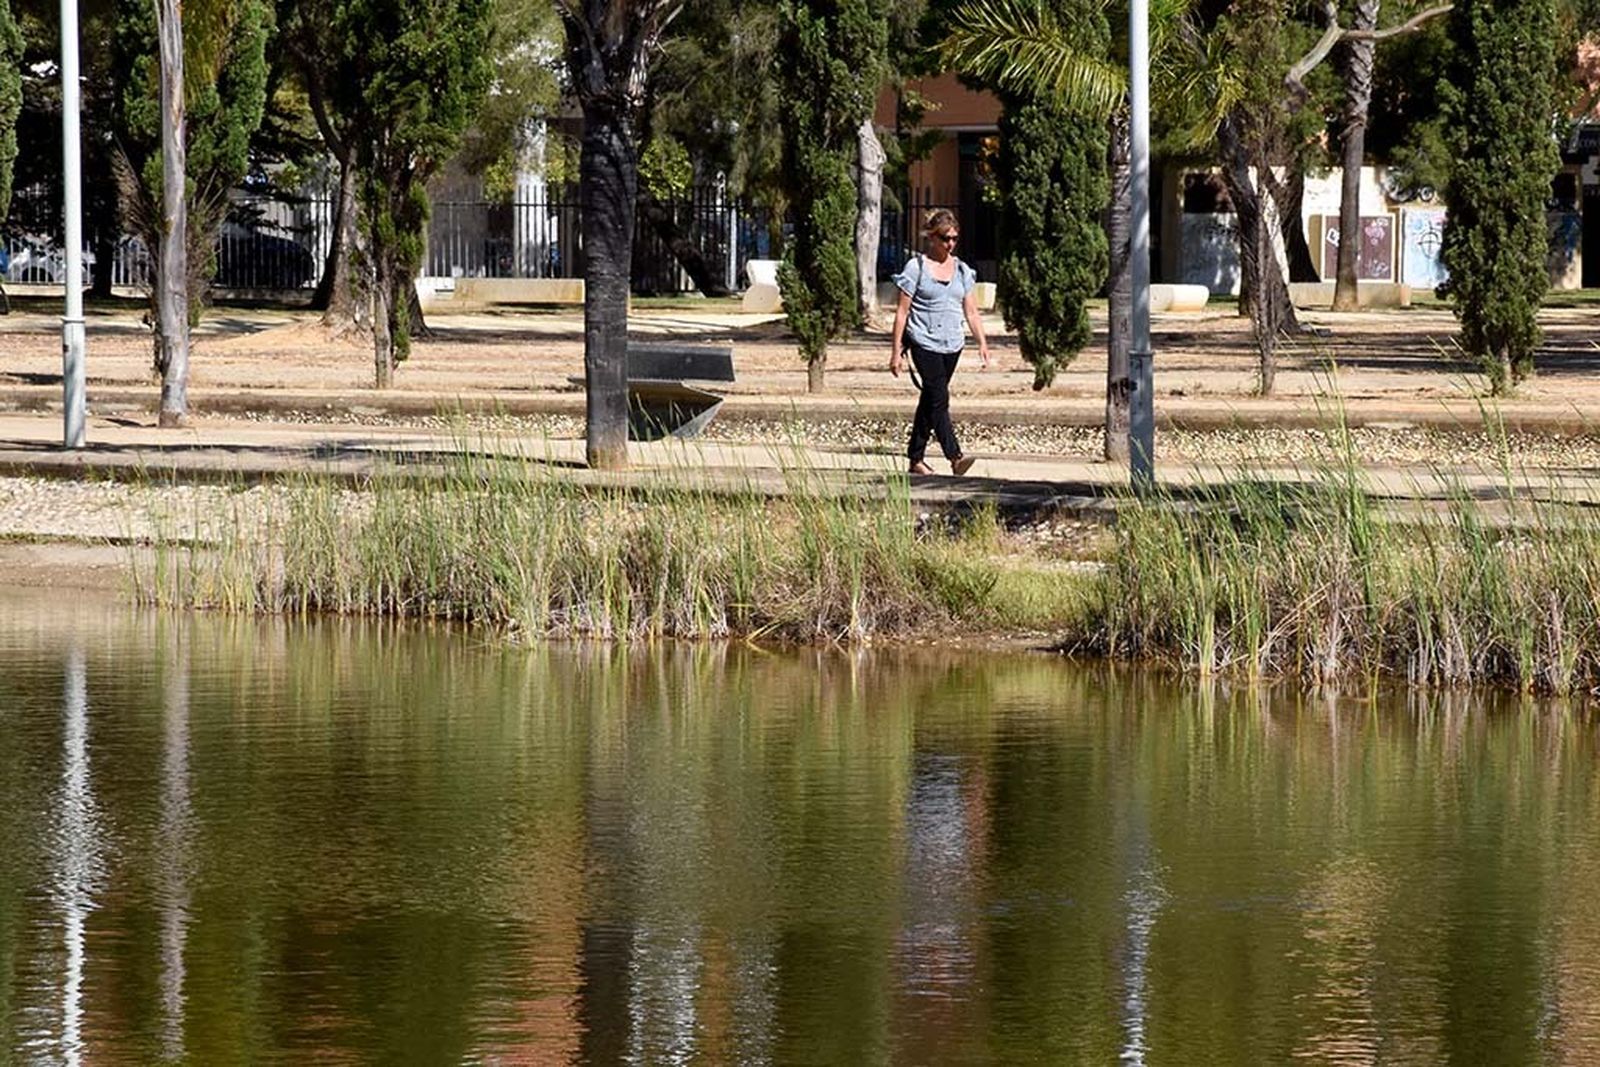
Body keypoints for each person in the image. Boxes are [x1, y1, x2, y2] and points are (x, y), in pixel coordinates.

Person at [889, 209, 991, 476]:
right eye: (946, 238)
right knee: (939, 397)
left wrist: (982, 342)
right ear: (932, 238)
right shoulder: (916, 268)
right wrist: (895, 352)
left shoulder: (962, 270)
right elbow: (901, 312)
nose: (951, 244)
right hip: (923, 341)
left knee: (931, 399)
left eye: (955, 238)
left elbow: (971, 311)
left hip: (952, 344)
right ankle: (955, 456)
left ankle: (915, 459)